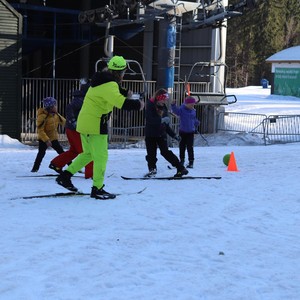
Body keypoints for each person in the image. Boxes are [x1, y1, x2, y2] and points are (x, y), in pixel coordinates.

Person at [56, 55, 144, 199]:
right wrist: (138, 105)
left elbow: (108, 94)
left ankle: (65, 176)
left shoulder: (100, 81)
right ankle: (97, 188)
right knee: (101, 157)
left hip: (85, 122)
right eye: (124, 73)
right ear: (120, 72)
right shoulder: (109, 85)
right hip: (95, 125)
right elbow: (120, 103)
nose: (124, 75)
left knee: (88, 154)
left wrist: (124, 92)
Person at [49, 78, 93, 178]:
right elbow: (69, 107)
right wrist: (73, 121)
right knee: (87, 153)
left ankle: (56, 164)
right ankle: (90, 174)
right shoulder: (82, 99)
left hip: (71, 129)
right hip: (75, 130)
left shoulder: (80, 98)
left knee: (74, 151)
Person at [144, 88, 188, 178]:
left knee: (165, 152)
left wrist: (174, 135)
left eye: (165, 100)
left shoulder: (163, 107)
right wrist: (161, 120)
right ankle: (152, 169)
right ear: (158, 98)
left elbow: (166, 125)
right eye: (163, 100)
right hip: (150, 134)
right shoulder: (150, 105)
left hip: (161, 134)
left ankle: (180, 168)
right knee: (151, 153)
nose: (164, 102)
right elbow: (150, 120)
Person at [31, 97, 66, 172]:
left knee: (62, 153)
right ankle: (35, 169)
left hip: (53, 138)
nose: (56, 107)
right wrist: (46, 140)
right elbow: (40, 130)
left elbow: (65, 122)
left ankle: (72, 166)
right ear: (50, 107)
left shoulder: (56, 115)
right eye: (54, 105)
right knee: (41, 154)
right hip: (44, 139)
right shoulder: (42, 117)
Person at [171, 96, 200, 168]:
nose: (192, 106)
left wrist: (196, 122)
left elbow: (193, 118)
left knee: (190, 147)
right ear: (187, 104)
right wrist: (173, 105)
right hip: (183, 131)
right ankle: (182, 160)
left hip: (191, 132)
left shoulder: (193, 110)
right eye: (191, 105)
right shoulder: (182, 109)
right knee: (182, 147)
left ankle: (191, 161)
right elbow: (176, 112)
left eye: (193, 105)